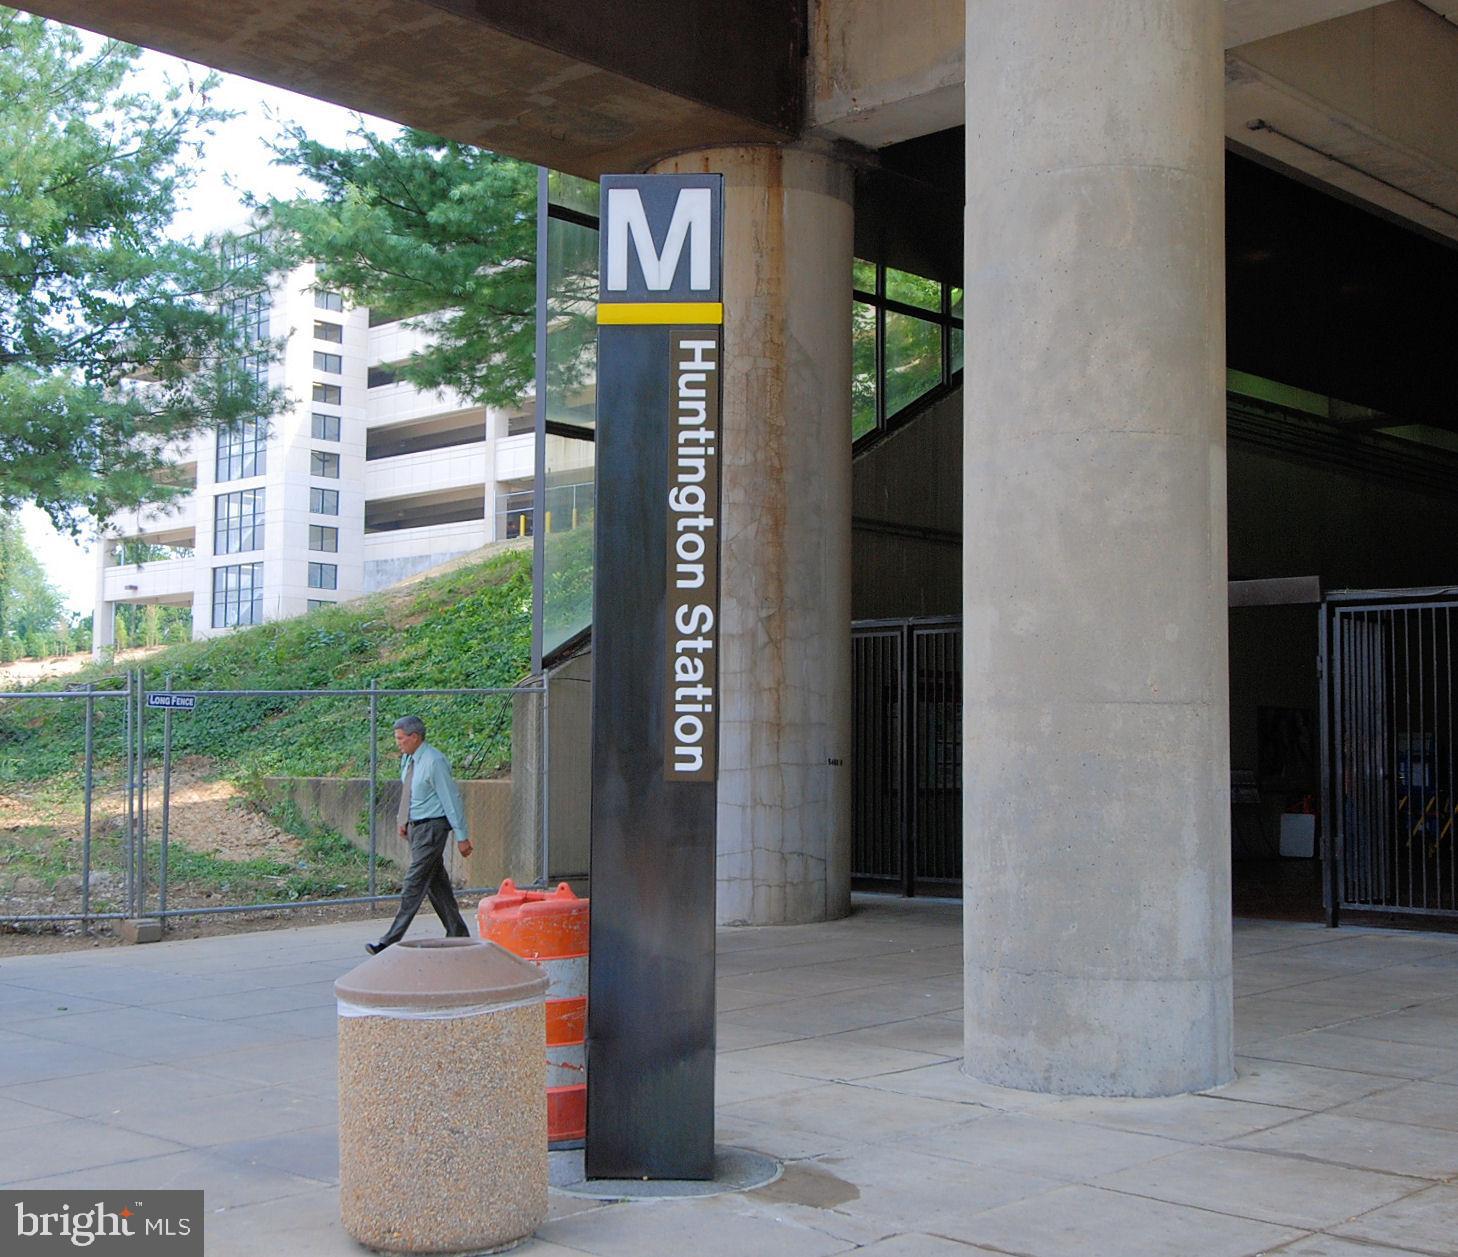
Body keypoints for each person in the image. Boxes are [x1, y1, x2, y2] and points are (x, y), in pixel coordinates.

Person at [366, 715, 474, 954]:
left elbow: (450, 798)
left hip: (432, 828)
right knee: (436, 883)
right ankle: (458, 932)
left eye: (400, 738)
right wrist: (402, 819)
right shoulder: (409, 759)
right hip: (416, 827)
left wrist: (462, 836)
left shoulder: (434, 761)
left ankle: (389, 940)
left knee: (413, 883)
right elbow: (409, 791)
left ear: (415, 737)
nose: (398, 743)